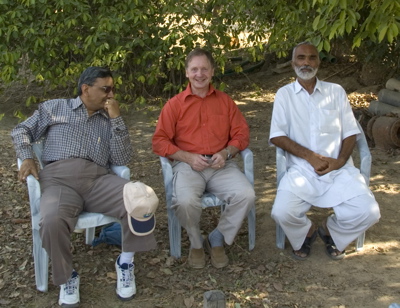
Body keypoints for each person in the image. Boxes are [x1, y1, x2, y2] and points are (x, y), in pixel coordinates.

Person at [11, 67, 158, 307]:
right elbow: (21, 129)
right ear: (86, 89)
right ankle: (67, 276)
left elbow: (122, 158)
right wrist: (27, 156)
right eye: (105, 89)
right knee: (51, 220)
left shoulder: (109, 117)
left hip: (98, 179)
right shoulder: (55, 107)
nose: (111, 95)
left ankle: (125, 261)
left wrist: (117, 120)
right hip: (59, 180)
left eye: (112, 89)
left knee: (142, 199)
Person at [269, 41, 380, 261]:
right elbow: (277, 135)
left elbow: (350, 131)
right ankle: (307, 231)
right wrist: (309, 156)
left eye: (312, 58)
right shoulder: (285, 95)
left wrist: (339, 161)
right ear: (293, 63)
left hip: (337, 169)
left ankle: (331, 230)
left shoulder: (335, 91)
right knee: (281, 212)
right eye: (301, 58)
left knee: (369, 212)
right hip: (301, 169)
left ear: (319, 62)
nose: (306, 63)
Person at [152, 48, 256, 269]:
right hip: (189, 166)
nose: (200, 74)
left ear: (212, 72)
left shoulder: (225, 102)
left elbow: (242, 134)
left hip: (221, 165)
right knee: (185, 201)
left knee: (246, 195)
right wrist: (188, 157)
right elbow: (159, 141)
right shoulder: (175, 104)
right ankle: (197, 242)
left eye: (204, 69)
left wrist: (226, 153)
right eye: (194, 69)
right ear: (187, 73)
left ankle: (217, 238)